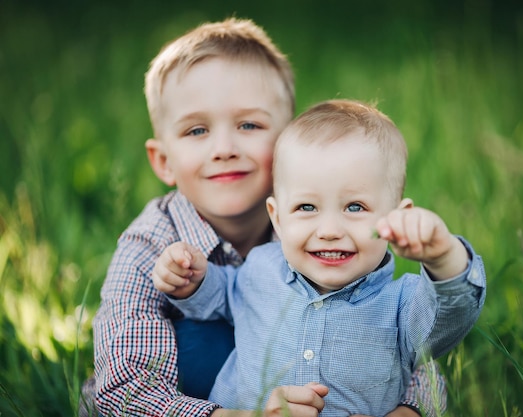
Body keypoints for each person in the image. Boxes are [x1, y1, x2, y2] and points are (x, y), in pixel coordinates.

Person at [87, 18, 448, 417]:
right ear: (163, 160)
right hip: (194, 402)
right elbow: (125, 391)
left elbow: (396, 335)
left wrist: (410, 409)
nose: (224, 148)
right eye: (196, 131)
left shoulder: (324, 232)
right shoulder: (149, 246)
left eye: (249, 124)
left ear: (289, 143)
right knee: (198, 338)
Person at [153, 99, 487, 416]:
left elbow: (451, 316)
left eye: (355, 207)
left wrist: (443, 257)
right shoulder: (259, 269)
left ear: (397, 217)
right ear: (278, 218)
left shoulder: (403, 304)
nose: (329, 230)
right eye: (306, 207)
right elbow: (219, 296)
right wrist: (191, 279)